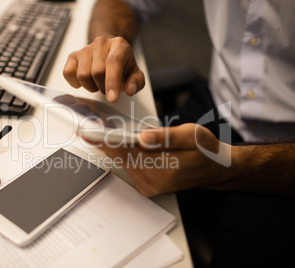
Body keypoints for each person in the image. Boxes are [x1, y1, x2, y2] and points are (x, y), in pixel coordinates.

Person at [62, 0, 295, 267]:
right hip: (221, 108)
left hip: (285, 160)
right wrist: (109, 48)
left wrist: (231, 167)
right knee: (97, 191)